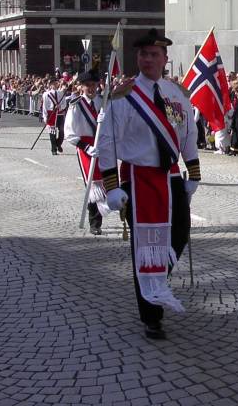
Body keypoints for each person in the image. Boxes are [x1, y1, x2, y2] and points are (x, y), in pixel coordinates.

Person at [95, 28, 200, 340]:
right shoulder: (123, 97)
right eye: (143, 54)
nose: (148, 59)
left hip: (170, 176)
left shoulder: (177, 94)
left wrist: (193, 173)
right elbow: (107, 143)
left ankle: (155, 282)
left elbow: (189, 135)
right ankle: (151, 315)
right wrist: (111, 186)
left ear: (165, 59)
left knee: (179, 234)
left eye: (154, 54)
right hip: (138, 178)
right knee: (144, 245)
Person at [64, 70, 106, 235]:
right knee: (93, 184)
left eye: (94, 85)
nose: (91, 88)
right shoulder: (76, 105)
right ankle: (95, 222)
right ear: (81, 87)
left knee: (107, 182)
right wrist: (86, 147)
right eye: (87, 85)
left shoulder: (103, 102)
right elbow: (69, 133)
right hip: (86, 147)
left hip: (103, 144)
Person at [42, 79, 68, 156]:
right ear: (50, 85)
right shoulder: (46, 94)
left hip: (60, 114)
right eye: (53, 84)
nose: (55, 85)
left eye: (56, 83)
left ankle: (58, 143)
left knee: (62, 132)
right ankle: (54, 149)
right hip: (51, 114)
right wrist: (45, 116)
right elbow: (45, 106)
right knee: (52, 132)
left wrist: (60, 107)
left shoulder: (61, 93)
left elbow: (64, 104)